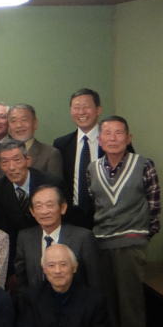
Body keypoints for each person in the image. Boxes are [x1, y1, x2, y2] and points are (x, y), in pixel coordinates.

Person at [89, 115, 159, 327]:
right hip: (101, 242)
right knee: (106, 305)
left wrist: (140, 236)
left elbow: (154, 206)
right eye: (107, 133)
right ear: (99, 140)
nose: (113, 138)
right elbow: (95, 204)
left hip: (131, 243)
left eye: (119, 133)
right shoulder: (93, 168)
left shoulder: (143, 165)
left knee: (130, 305)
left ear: (129, 138)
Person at [13, 184, 99, 297]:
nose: (44, 211)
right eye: (38, 206)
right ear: (32, 211)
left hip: (76, 302)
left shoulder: (83, 237)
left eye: (49, 205)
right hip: (36, 304)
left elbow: (95, 281)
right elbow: (21, 280)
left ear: (63, 208)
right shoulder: (25, 237)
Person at [0, 139, 58, 251]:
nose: (11, 167)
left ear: (28, 160)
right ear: (0, 165)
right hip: (16, 246)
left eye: (17, 160)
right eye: (5, 162)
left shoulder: (50, 183)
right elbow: (2, 227)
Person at [53, 87, 108, 228]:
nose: (81, 112)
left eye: (86, 107)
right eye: (76, 108)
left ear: (98, 110)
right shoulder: (61, 144)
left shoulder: (112, 141)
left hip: (108, 215)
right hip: (73, 217)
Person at [7, 103, 63, 178]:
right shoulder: (0, 154)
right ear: (8, 127)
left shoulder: (50, 154)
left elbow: (55, 184)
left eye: (24, 120)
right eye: (13, 121)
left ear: (35, 123)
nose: (19, 125)